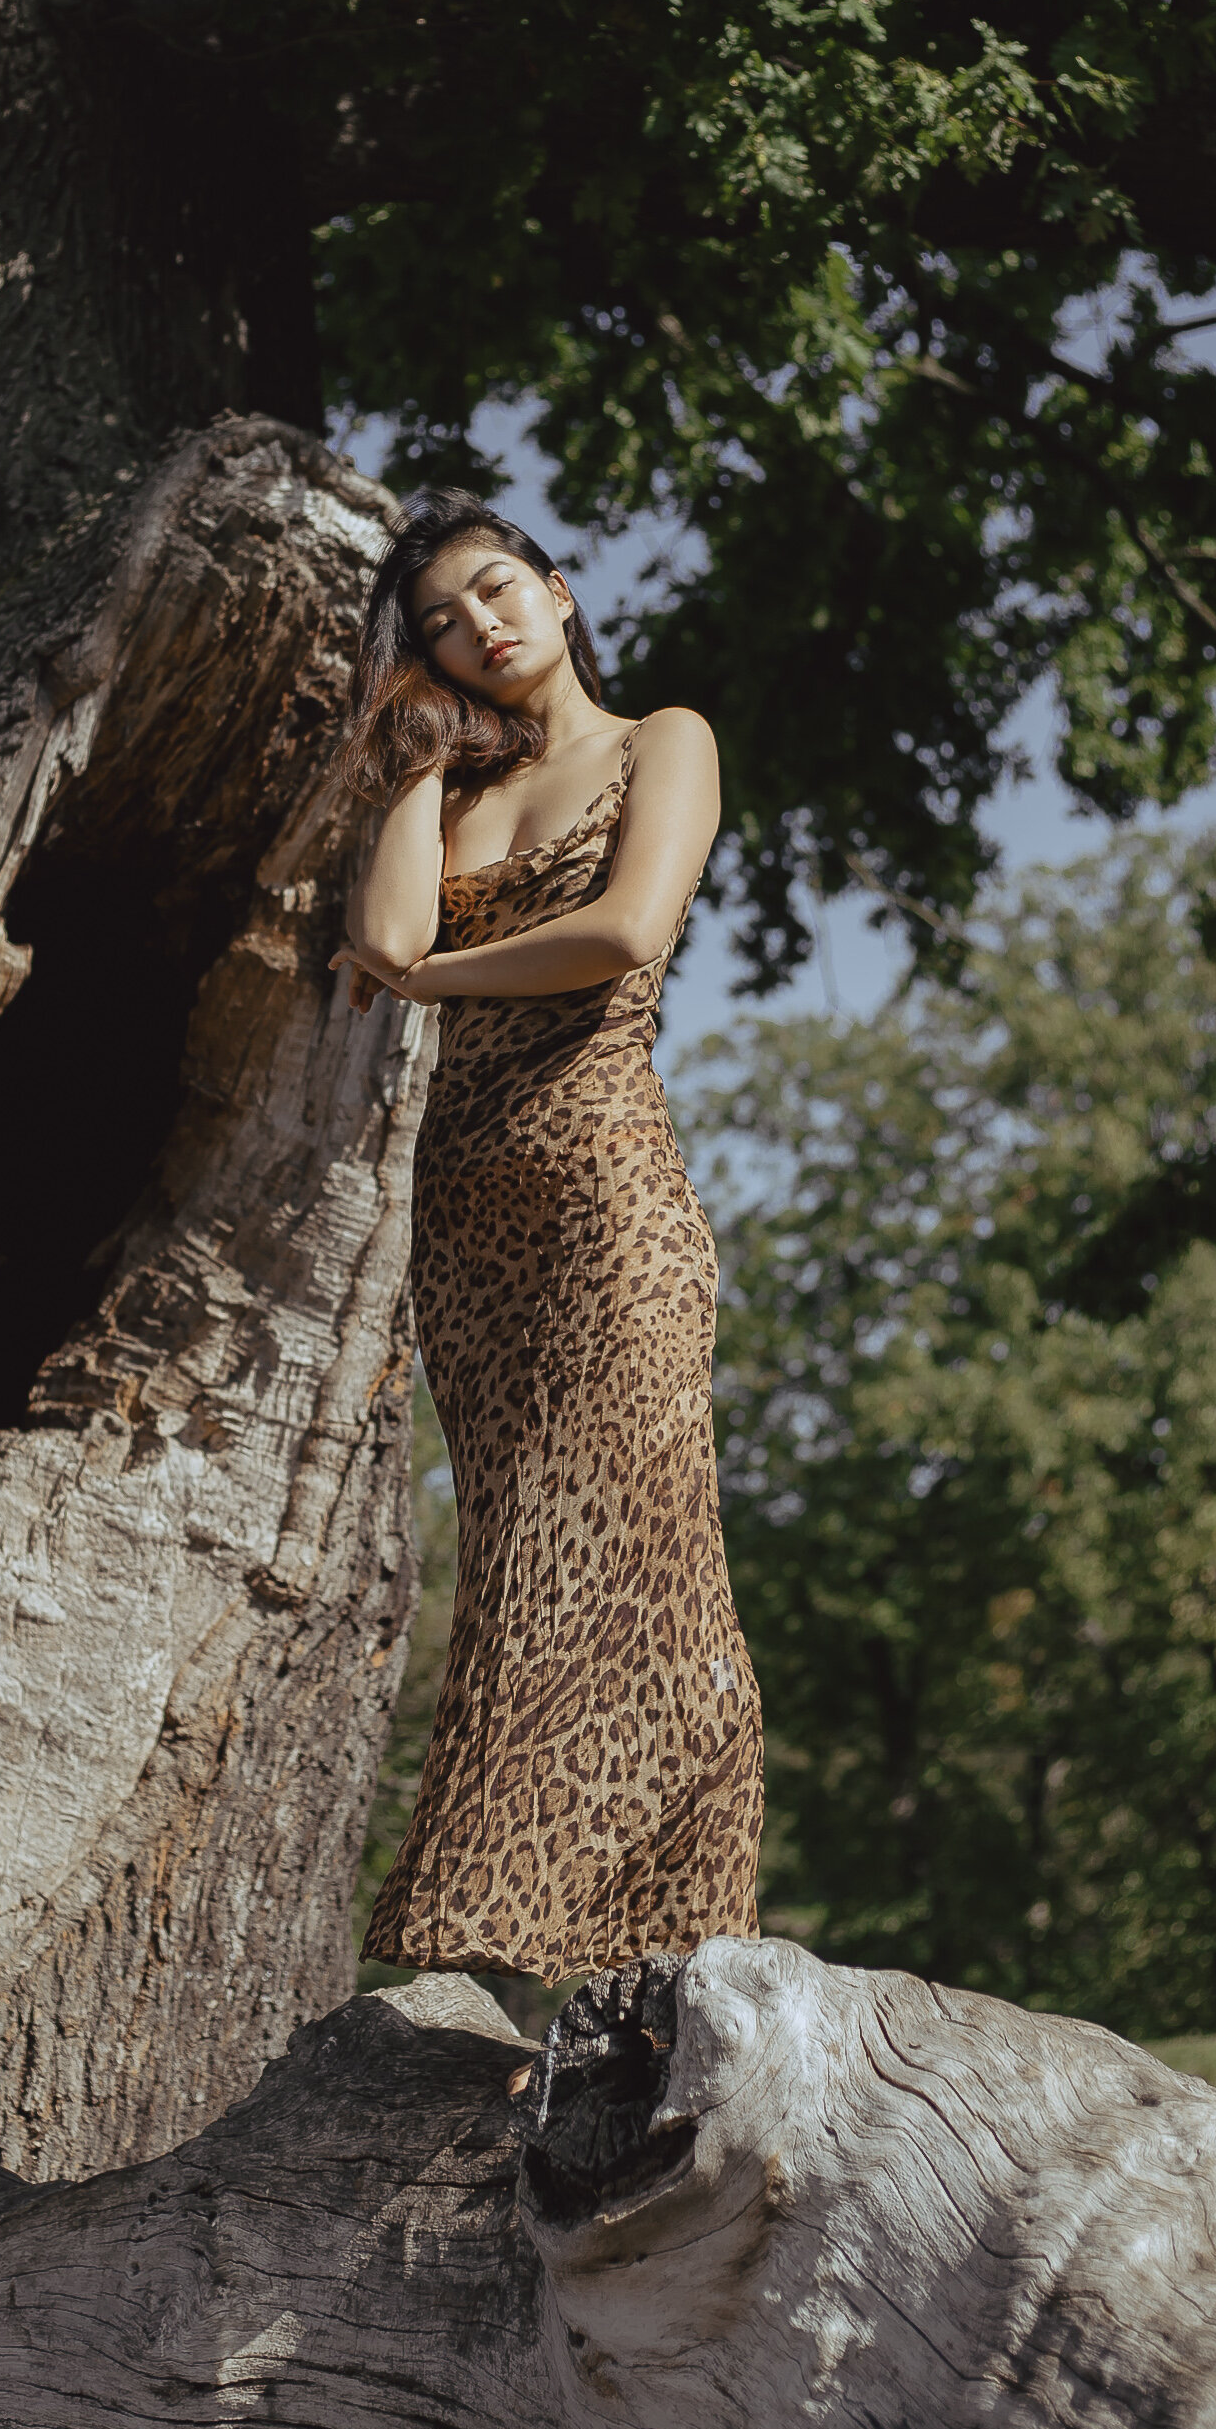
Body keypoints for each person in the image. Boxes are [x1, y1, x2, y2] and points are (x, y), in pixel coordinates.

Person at [333, 486, 764, 1982]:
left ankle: (635, 1942)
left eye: (500, 590)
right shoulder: (445, 793)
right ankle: (539, 1954)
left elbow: (626, 932)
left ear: (563, 591)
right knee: (522, 1561)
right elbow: (385, 939)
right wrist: (408, 746)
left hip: (607, 1203)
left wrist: (437, 989)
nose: (483, 628)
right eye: (443, 625)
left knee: (643, 1562)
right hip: (466, 1223)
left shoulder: (666, 740)